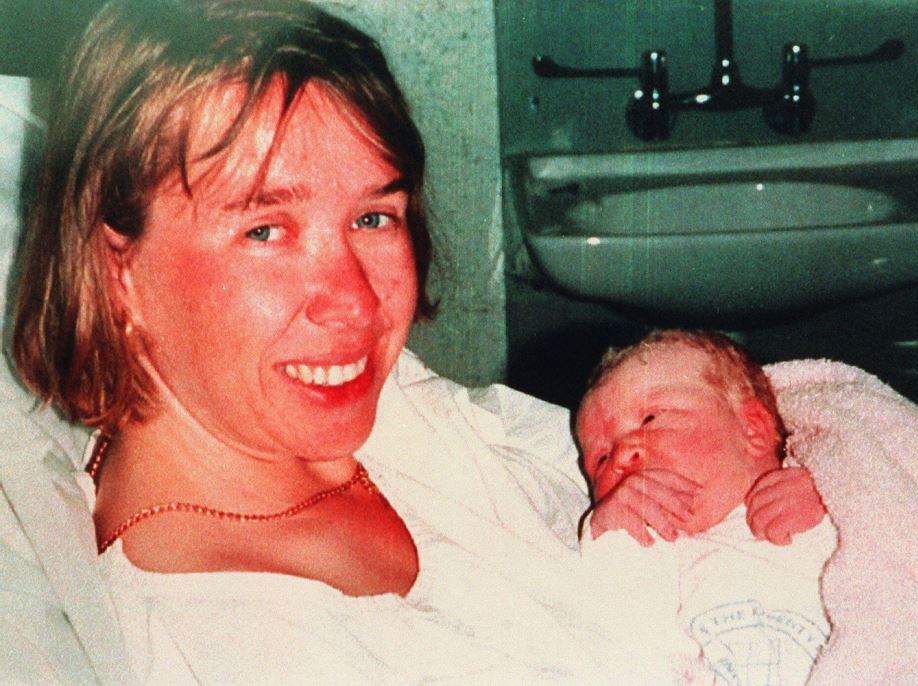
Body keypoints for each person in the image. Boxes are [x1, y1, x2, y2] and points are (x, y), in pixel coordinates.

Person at [0, 1, 699, 683]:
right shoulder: (232, 644)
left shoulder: (391, 412)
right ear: (117, 271)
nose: (357, 301)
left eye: (373, 217)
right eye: (265, 231)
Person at [576, 329, 837, 685]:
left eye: (651, 418)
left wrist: (832, 489)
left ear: (753, 430)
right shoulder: (653, 550)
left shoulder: (823, 491)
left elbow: (901, 517)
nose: (622, 455)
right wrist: (612, 533)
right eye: (601, 459)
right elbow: (618, 626)